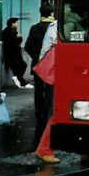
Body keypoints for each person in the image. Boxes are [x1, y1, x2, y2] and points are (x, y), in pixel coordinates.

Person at [25, 4, 55, 150]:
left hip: (38, 66)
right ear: (52, 13)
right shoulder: (56, 28)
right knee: (51, 90)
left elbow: (28, 46)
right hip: (52, 66)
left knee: (38, 91)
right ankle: (49, 112)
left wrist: (36, 58)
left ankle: (39, 113)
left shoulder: (34, 28)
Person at [34, 19, 59, 163]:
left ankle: (44, 149)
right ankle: (44, 149)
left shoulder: (55, 26)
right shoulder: (57, 26)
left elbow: (44, 51)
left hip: (60, 71)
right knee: (58, 112)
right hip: (62, 72)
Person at [2, 17, 29, 88]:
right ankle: (21, 81)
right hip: (12, 54)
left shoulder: (11, 31)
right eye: (16, 23)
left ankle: (19, 79)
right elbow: (14, 42)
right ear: (12, 23)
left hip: (15, 53)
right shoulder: (10, 32)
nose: (17, 24)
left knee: (22, 65)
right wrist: (19, 38)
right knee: (19, 66)